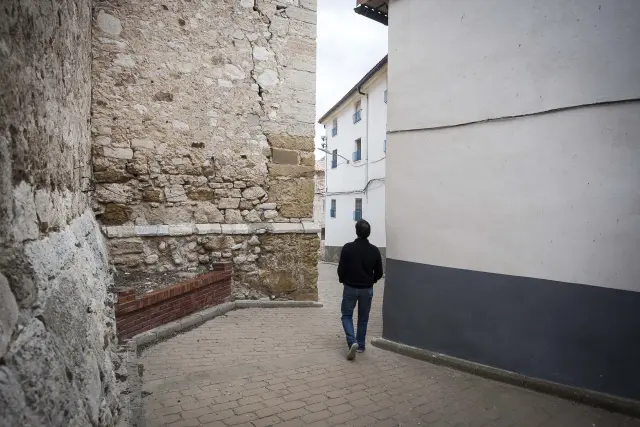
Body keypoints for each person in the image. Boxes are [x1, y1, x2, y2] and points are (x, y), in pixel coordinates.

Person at [337, 219, 383, 360]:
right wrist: (371, 280)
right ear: (369, 233)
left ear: (356, 231)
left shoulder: (347, 248)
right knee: (363, 318)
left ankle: (352, 342)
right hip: (366, 289)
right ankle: (361, 345)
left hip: (350, 287)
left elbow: (341, 269)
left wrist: (343, 279)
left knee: (346, 315)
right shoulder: (374, 250)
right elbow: (379, 272)